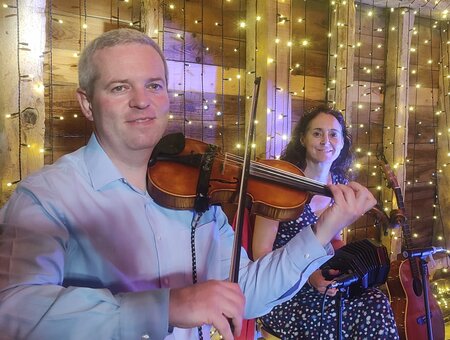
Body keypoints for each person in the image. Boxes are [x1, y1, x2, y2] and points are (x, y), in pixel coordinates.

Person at [0, 29, 377, 340]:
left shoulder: (198, 191)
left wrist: (327, 224)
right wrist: (167, 307)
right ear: (86, 103)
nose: (142, 102)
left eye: (154, 85)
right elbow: (12, 312)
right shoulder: (46, 196)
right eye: (119, 88)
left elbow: (247, 291)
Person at [252, 106, 399, 339]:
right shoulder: (280, 186)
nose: (325, 141)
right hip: (287, 288)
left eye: (333, 134)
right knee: (330, 317)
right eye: (317, 133)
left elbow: (335, 241)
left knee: (376, 300)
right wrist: (307, 275)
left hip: (324, 282)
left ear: (342, 143)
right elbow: (261, 253)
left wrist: (341, 270)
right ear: (302, 139)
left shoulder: (340, 185)